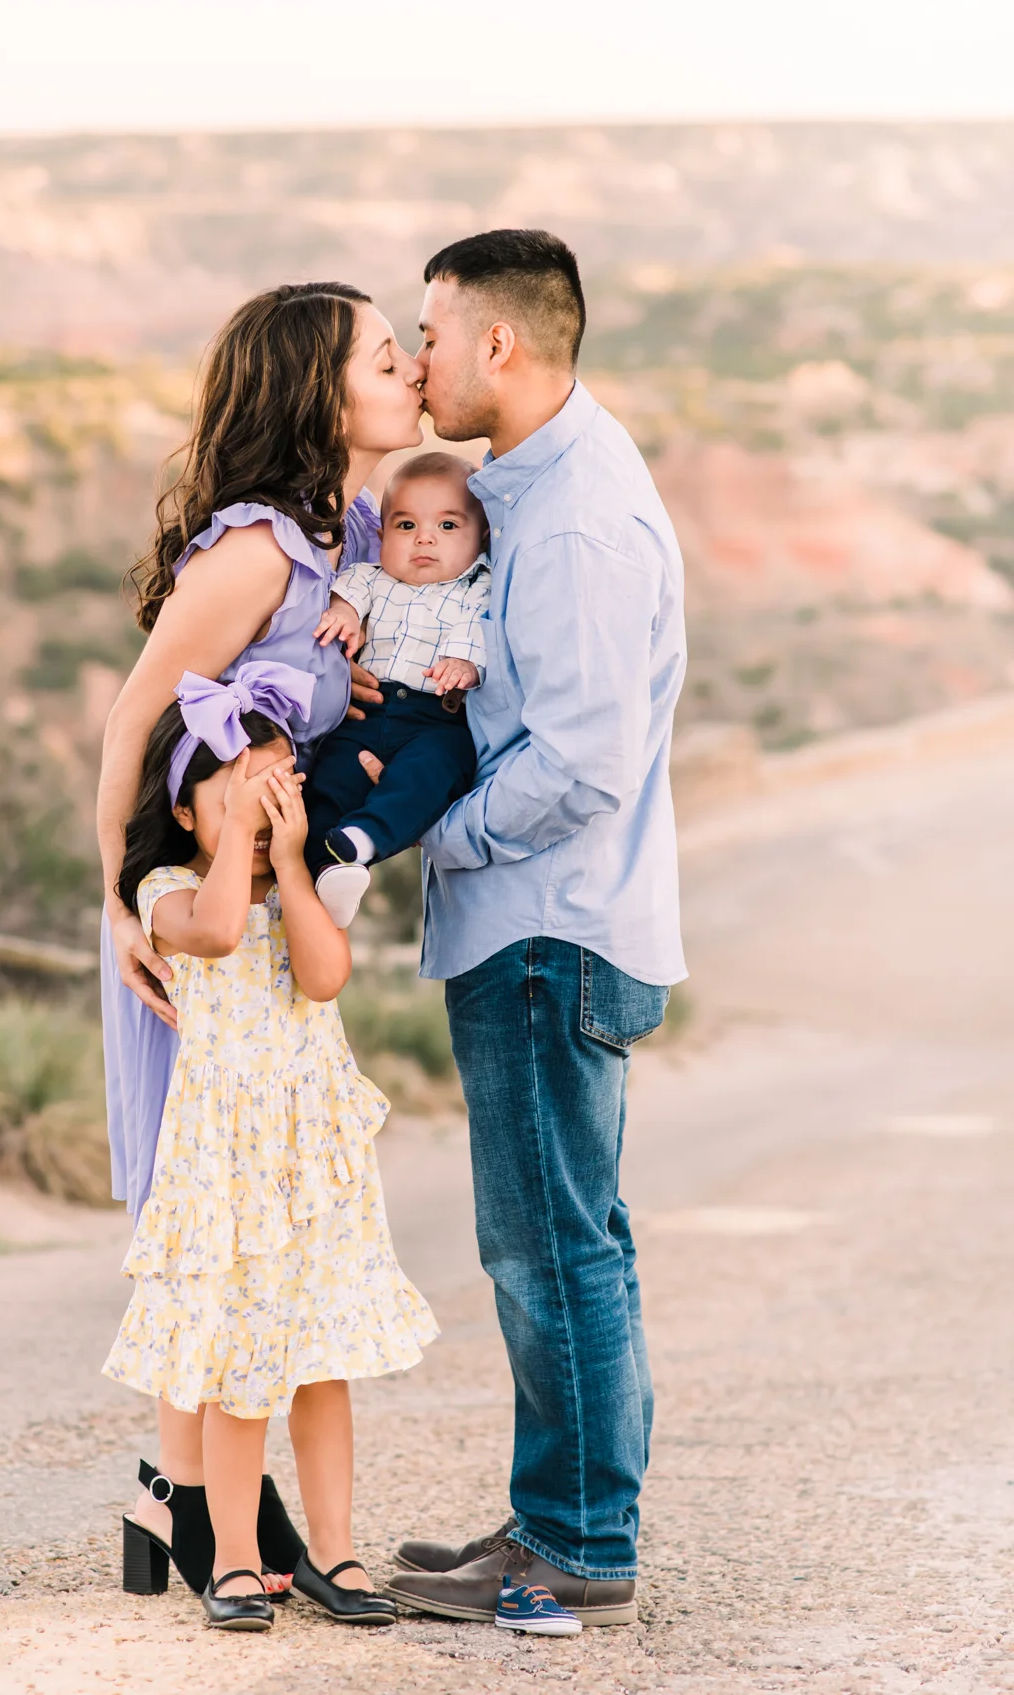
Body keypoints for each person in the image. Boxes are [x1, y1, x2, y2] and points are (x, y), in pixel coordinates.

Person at [97, 281, 425, 1597]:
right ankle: (188, 1514)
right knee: (210, 1244)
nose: (408, 372)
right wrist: (119, 906)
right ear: (317, 392)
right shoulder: (257, 553)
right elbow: (133, 721)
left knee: (248, 1237)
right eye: (386, 358)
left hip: (275, 910)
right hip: (195, 912)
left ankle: (185, 1511)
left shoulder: (347, 532)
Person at [387, 229, 688, 1626]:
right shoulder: (546, 481)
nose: (420, 356)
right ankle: (557, 1515)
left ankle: (576, 1543)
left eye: (432, 333)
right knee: (569, 1234)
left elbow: (580, 760)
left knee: (548, 1243)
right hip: (560, 925)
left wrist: (434, 841)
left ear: (498, 344)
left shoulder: (569, 520)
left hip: (546, 929)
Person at [104, 674, 436, 1631]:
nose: (258, 815)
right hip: (227, 1162)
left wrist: (290, 859)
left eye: (277, 788)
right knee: (241, 1361)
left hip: (316, 1155)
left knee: (323, 1361)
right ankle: (237, 1560)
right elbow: (211, 931)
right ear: (182, 808)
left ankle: (334, 1551)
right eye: (234, 798)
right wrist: (240, 843)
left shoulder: (299, 886)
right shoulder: (166, 893)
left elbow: (324, 978)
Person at [303, 450, 490, 927]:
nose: (425, 537)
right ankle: (325, 868)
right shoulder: (370, 577)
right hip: (370, 711)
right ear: (382, 535)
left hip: (434, 718)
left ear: (480, 536)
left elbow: (478, 629)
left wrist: (464, 665)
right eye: (406, 526)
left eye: (448, 526)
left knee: (434, 772)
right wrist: (344, 615)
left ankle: (362, 841)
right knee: (329, 781)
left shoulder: (479, 585)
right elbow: (347, 598)